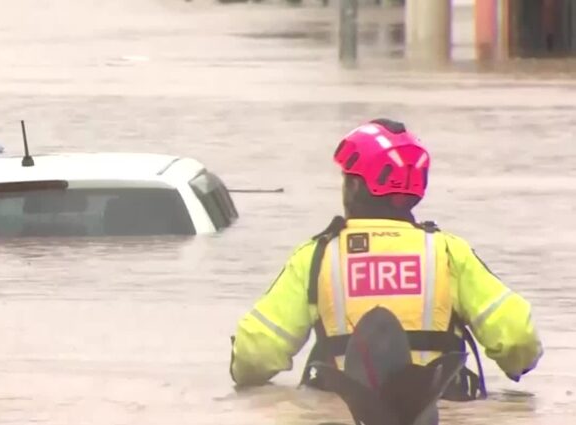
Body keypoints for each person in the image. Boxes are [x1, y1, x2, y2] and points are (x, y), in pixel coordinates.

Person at [228, 118, 543, 401]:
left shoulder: (317, 257)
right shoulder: (447, 253)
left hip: (346, 412)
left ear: (353, 186)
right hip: (435, 411)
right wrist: (521, 367)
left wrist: (241, 375)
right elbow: (517, 338)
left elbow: (256, 354)